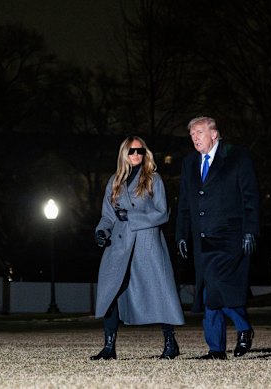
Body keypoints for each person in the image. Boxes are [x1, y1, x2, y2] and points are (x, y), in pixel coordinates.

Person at [91, 135, 185, 360]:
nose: (135, 155)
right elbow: (108, 215)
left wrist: (131, 216)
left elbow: (162, 213)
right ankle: (109, 347)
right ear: (124, 153)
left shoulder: (154, 179)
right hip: (119, 245)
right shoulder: (114, 180)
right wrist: (101, 231)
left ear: (145, 154)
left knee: (159, 292)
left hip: (146, 244)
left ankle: (170, 344)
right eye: (131, 151)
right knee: (110, 294)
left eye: (139, 151)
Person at [176, 116, 259, 360]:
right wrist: (181, 234)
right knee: (208, 292)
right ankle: (217, 349)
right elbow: (184, 202)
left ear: (214, 134)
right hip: (202, 238)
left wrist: (250, 230)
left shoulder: (236, 156)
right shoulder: (189, 162)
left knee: (214, 287)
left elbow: (250, 196)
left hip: (230, 237)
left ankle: (241, 329)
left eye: (199, 132)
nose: (194, 137)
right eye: (191, 134)